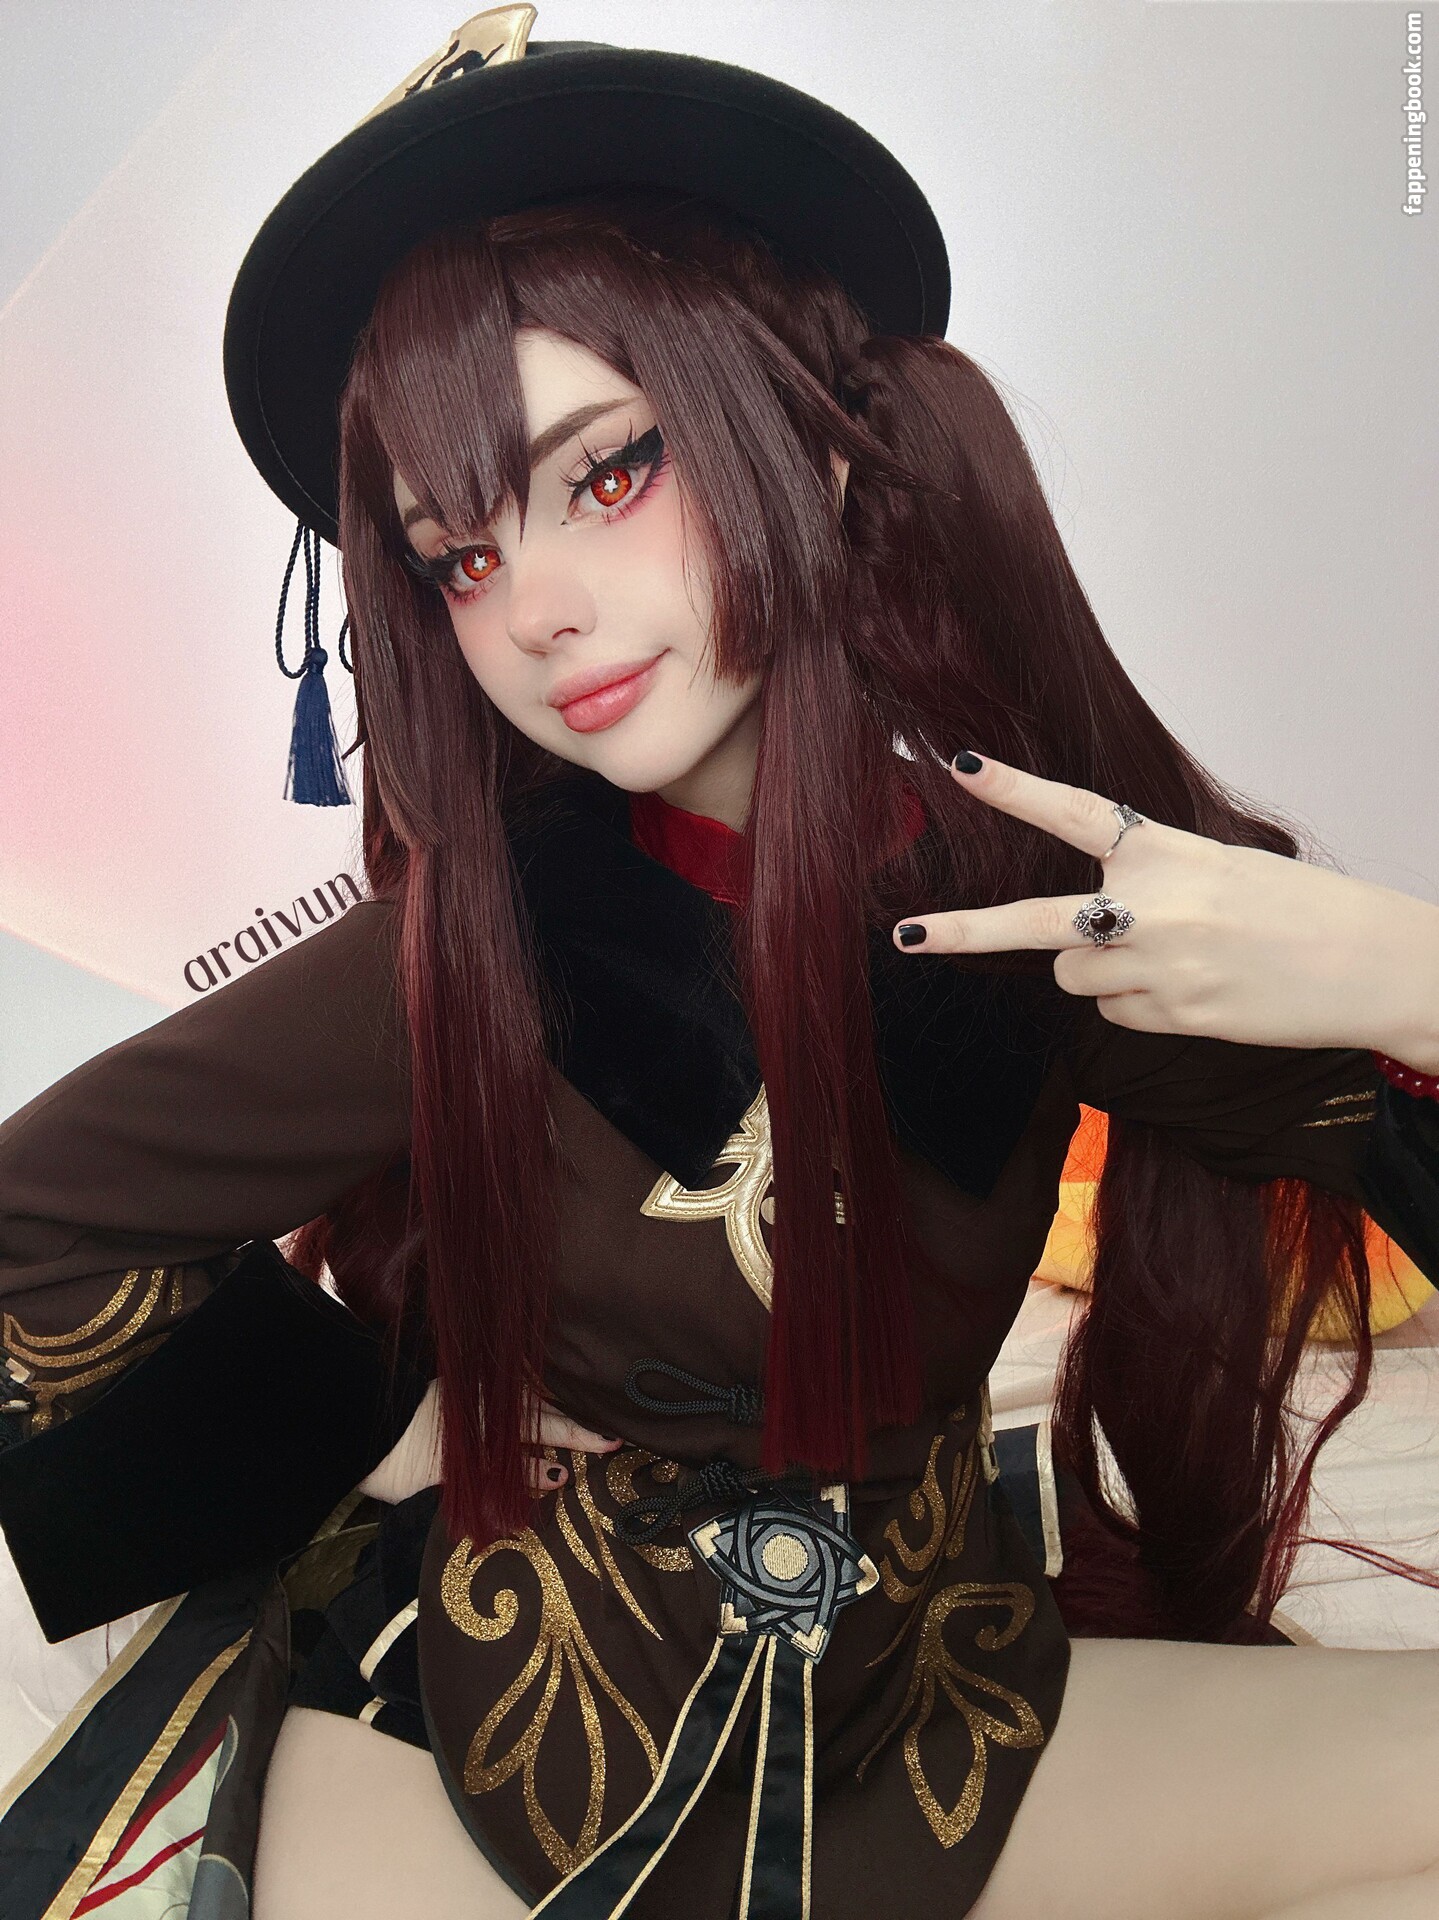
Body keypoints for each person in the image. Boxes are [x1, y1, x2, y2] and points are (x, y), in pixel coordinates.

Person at [1, 8, 1437, 1918]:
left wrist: (1409, 975)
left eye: (606, 475)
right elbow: (34, 1218)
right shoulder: (482, 935)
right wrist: (390, 1435)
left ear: (814, 453)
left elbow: (1369, 1135)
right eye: (456, 555)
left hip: (927, 1693)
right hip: (544, 1730)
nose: (533, 608)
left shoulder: (1036, 910)